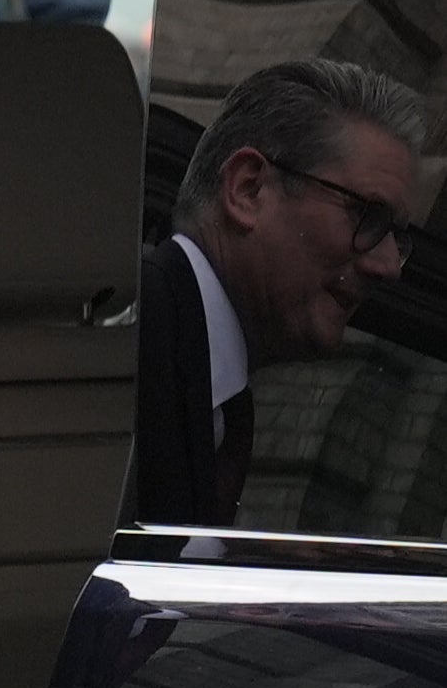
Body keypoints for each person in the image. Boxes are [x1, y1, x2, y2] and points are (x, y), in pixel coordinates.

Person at [134, 57, 426, 527]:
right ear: (248, 190)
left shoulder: (204, 382)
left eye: (396, 236)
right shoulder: (128, 339)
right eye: (368, 216)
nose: (388, 265)